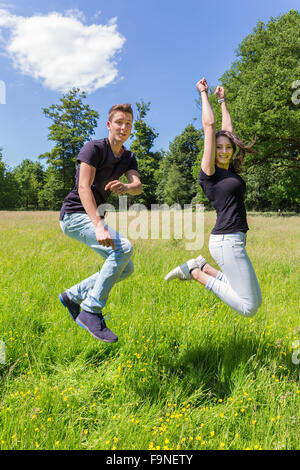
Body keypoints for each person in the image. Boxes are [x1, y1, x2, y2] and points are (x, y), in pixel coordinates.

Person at [165, 78, 262, 318]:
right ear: (211, 150)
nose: (224, 150)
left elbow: (226, 131)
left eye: (228, 147)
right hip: (226, 240)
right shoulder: (209, 173)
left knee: (255, 300)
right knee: (248, 307)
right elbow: (210, 127)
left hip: (234, 239)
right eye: (219, 147)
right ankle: (197, 273)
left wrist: (222, 101)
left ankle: (204, 266)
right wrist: (204, 94)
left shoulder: (229, 171)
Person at [59, 104, 142, 342]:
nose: (124, 127)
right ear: (109, 125)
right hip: (75, 215)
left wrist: (126, 186)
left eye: (128, 123)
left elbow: (137, 187)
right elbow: (83, 186)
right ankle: (91, 310)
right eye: (119, 122)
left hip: (92, 217)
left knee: (126, 268)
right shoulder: (93, 148)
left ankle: (72, 295)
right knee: (124, 248)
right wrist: (98, 225)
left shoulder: (128, 157)